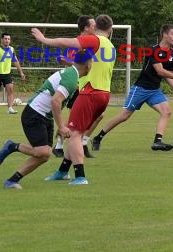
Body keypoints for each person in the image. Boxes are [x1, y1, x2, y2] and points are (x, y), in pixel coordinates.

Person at [31, 14, 116, 185]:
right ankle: (62, 172)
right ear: (111, 29)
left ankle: (80, 177)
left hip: (90, 93)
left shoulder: (95, 40)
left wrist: (45, 39)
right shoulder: (110, 45)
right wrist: (71, 63)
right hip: (103, 94)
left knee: (74, 134)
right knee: (78, 133)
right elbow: (89, 66)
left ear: (96, 27)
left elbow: (68, 42)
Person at [0, 50, 92, 189]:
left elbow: (58, 103)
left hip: (45, 115)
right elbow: (55, 102)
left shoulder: (72, 74)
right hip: (34, 113)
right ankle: (12, 146)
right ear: (88, 64)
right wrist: (62, 126)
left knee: (44, 156)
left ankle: (12, 180)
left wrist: (61, 125)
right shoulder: (71, 78)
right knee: (44, 152)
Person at [92, 24, 173, 151]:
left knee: (167, 112)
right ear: (165, 34)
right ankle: (98, 138)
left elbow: (168, 76)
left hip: (154, 90)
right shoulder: (153, 50)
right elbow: (160, 71)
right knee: (124, 116)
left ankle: (157, 141)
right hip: (140, 89)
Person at [52, 15, 101, 159]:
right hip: (78, 86)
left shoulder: (94, 43)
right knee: (75, 118)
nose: (96, 27)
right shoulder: (75, 45)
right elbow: (74, 66)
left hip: (90, 85)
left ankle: (81, 142)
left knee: (97, 115)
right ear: (86, 27)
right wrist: (67, 61)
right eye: (93, 25)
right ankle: (62, 145)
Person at [0, 33, 26, 115]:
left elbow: (15, 61)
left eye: (8, 39)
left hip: (6, 74)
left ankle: (10, 108)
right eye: (5, 39)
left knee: (10, 88)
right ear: (1, 39)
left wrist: (21, 72)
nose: (7, 40)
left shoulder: (11, 49)